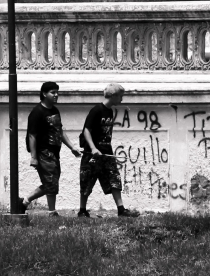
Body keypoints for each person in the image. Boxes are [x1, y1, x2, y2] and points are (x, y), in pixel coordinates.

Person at [78, 83, 140, 218]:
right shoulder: (96, 110)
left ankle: (121, 210)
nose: (121, 100)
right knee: (87, 180)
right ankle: (82, 210)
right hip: (93, 154)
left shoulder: (110, 111)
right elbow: (86, 130)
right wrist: (93, 148)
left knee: (114, 179)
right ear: (113, 96)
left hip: (107, 152)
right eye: (120, 97)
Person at [20, 81, 81, 216]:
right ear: (44, 94)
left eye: (57, 92)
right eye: (53, 92)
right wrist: (34, 157)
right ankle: (51, 212)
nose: (56, 95)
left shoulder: (54, 110)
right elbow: (32, 136)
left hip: (54, 152)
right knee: (51, 182)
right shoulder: (37, 112)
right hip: (43, 152)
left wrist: (72, 147)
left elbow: (59, 130)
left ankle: (24, 202)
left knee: (51, 182)